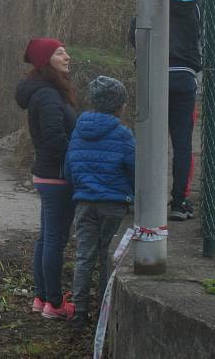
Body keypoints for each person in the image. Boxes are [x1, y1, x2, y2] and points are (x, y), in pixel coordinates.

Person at [129, 0, 202, 221]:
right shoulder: (196, 2)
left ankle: (142, 198)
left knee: (147, 139)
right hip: (184, 77)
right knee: (182, 142)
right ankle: (178, 203)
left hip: (153, 75)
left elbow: (135, 34)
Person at [15, 37, 78, 321]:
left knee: (46, 238)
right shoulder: (49, 95)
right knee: (54, 240)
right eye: (60, 53)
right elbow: (55, 138)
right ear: (45, 61)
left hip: (47, 175)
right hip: (57, 176)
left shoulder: (44, 92)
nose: (67, 57)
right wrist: (75, 162)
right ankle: (54, 302)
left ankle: (42, 298)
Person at [65, 76, 135, 328]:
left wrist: (82, 187)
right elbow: (134, 169)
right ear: (119, 106)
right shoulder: (123, 134)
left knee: (84, 256)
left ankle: (79, 312)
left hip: (84, 202)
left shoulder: (79, 130)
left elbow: (69, 167)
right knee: (108, 256)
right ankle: (104, 313)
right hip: (114, 204)